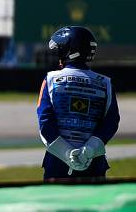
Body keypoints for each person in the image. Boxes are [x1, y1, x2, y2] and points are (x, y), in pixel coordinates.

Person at [37, 26, 120, 182]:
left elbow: (45, 124)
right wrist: (88, 151)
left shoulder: (50, 80)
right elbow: (111, 122)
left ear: (68, 51)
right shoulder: (106, 83)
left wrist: (67, 153)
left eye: (60, 50)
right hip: (94, 163)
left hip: (57, 163)